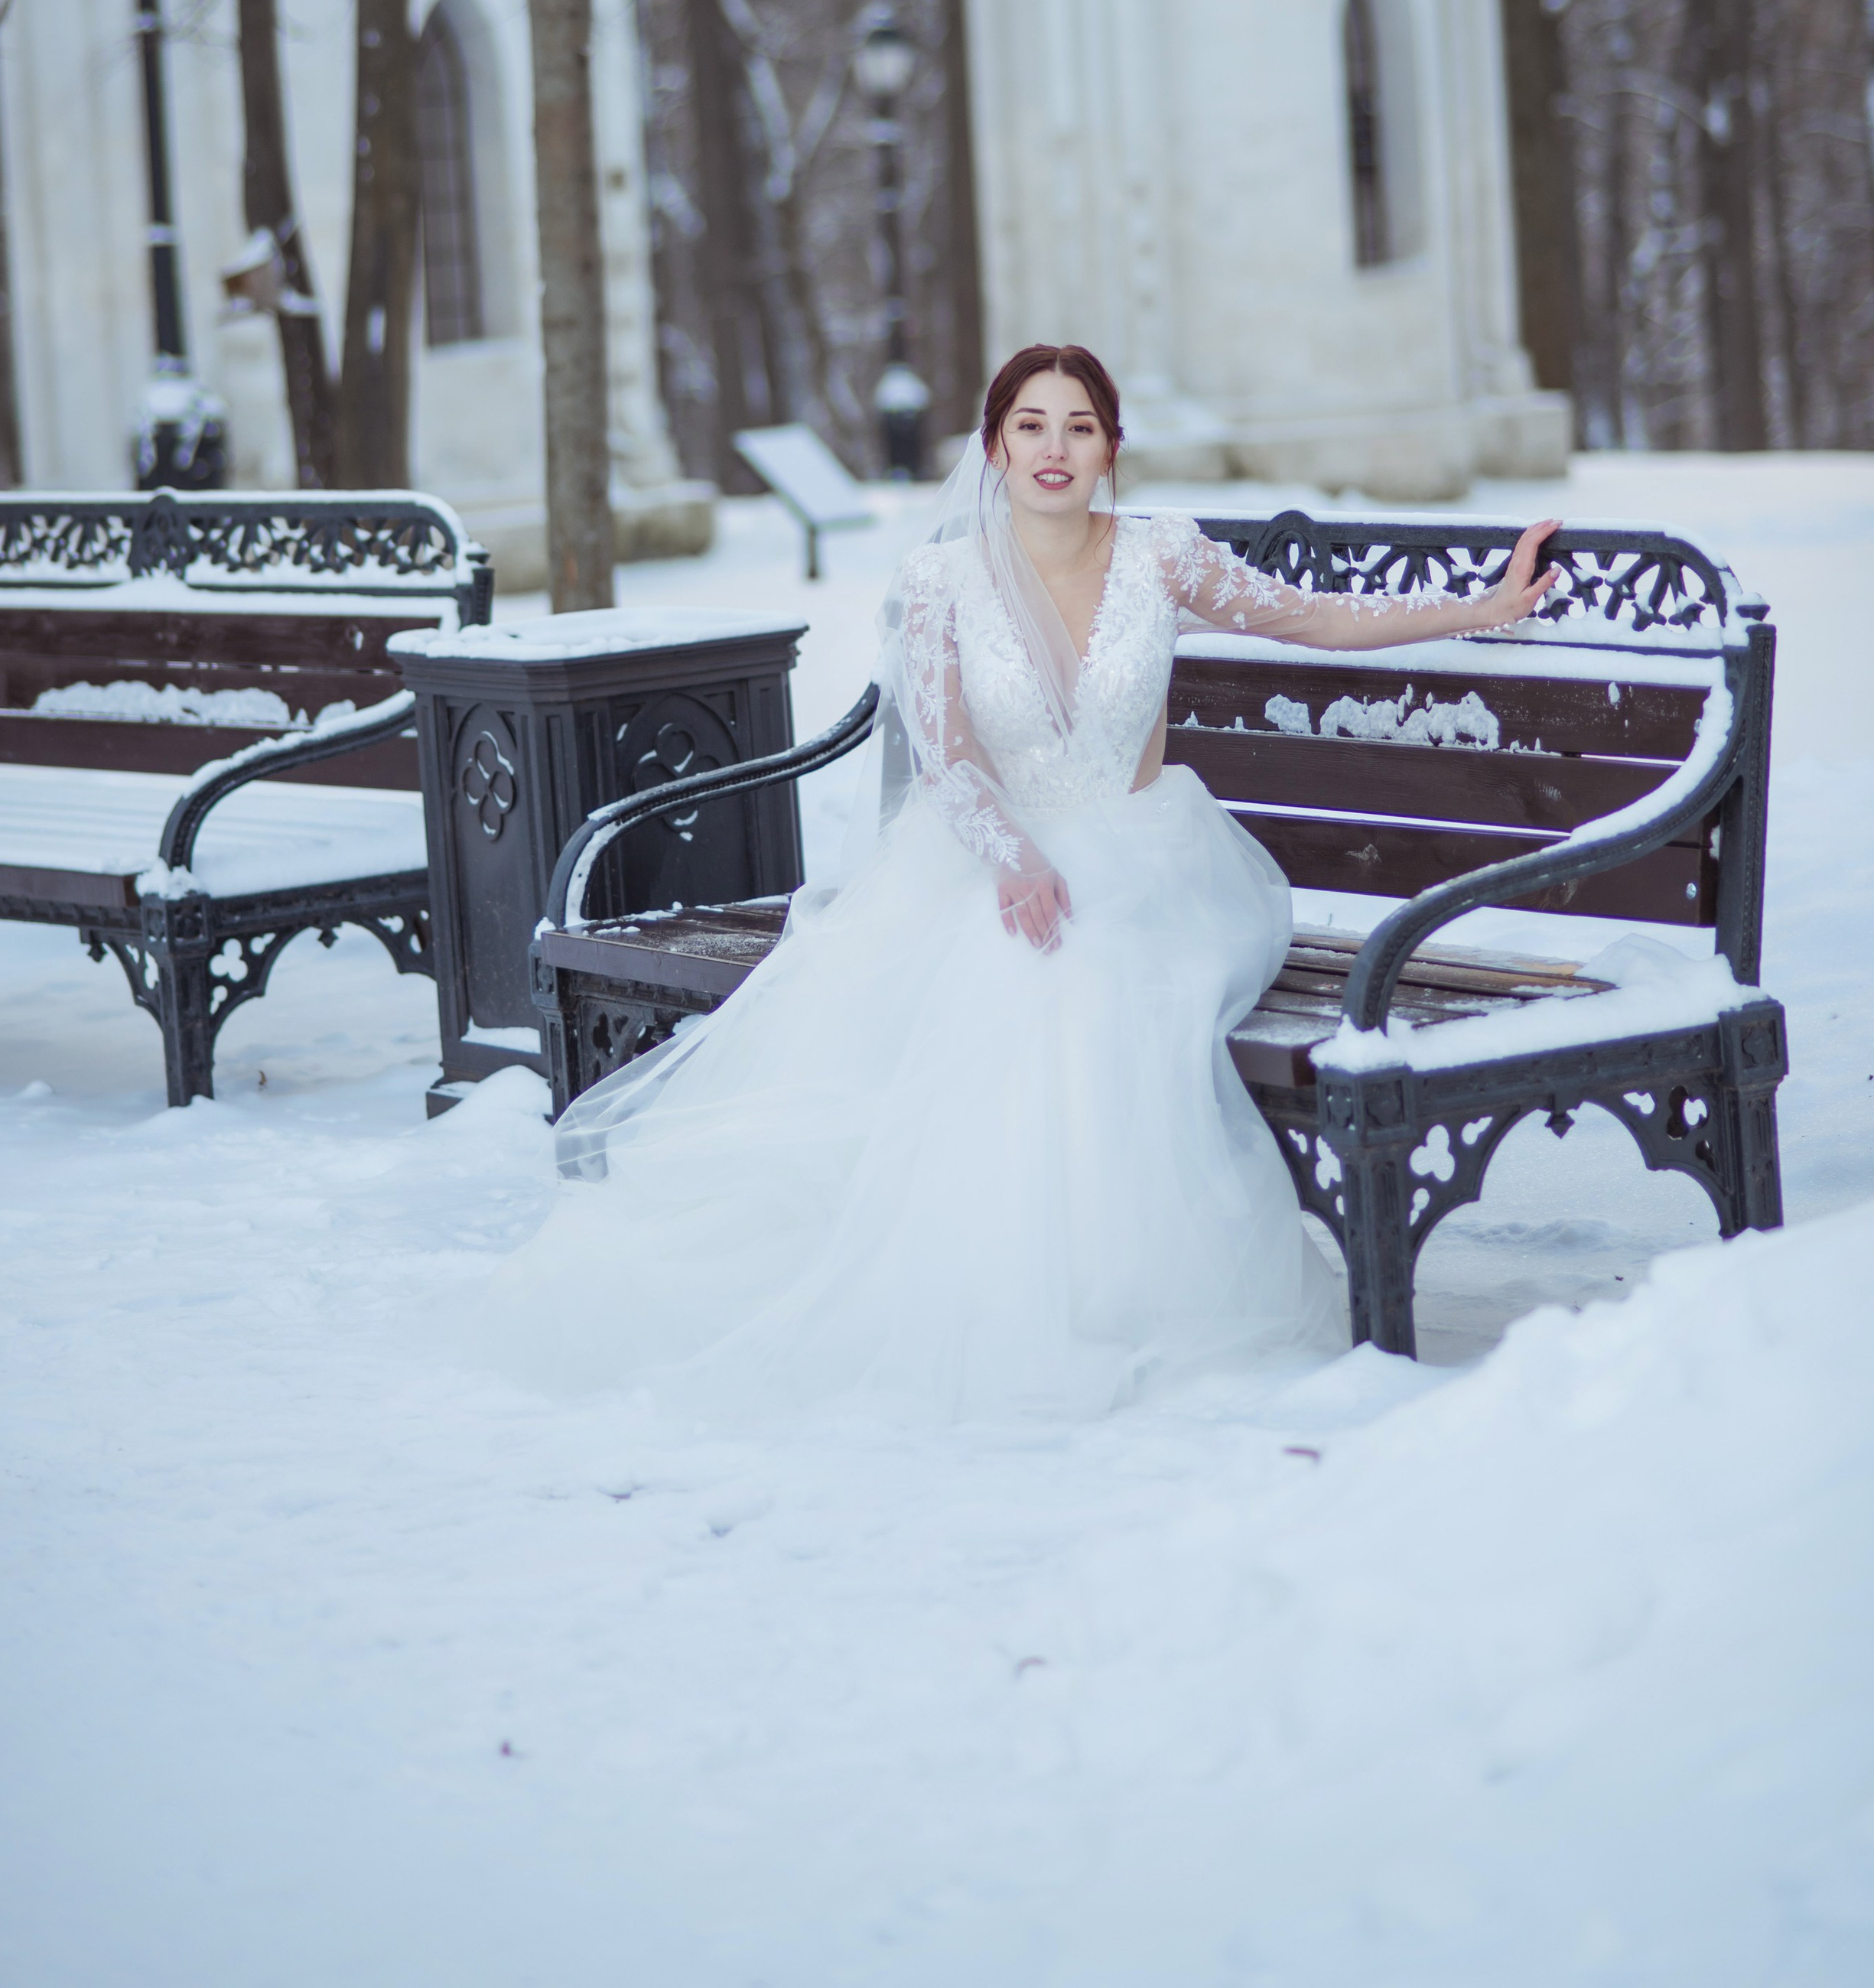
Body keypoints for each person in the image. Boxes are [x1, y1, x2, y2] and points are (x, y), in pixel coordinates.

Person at [479, 344, 1560, 1423]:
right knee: (1010, 970)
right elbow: (949, 754)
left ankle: (1112, 1292)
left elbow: (1317, 618)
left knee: (1084, 975)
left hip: (1155, 861)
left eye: (1079, 426)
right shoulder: (945, 578)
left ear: (1111, 448)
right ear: (994, 446)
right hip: (994, 848)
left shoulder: (1163, 558)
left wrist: (1489, 606)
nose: (1055, 448)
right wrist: (1011, 855)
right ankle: (978, 1290)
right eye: (1032, 426)